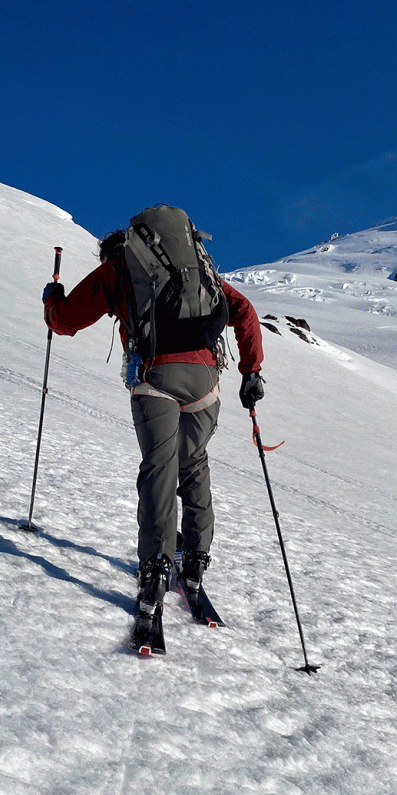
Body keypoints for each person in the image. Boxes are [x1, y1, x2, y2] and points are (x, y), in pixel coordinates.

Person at [42, 213, 264, 620]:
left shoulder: (117, 270)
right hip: (206, 382)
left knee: (159, 469)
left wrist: (51, 300)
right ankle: (195, 560)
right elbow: (244, 311)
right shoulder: (194, 272)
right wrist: (251, 371)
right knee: (193, 463)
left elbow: (65, 322)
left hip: (155, 379)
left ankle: (155, 569)